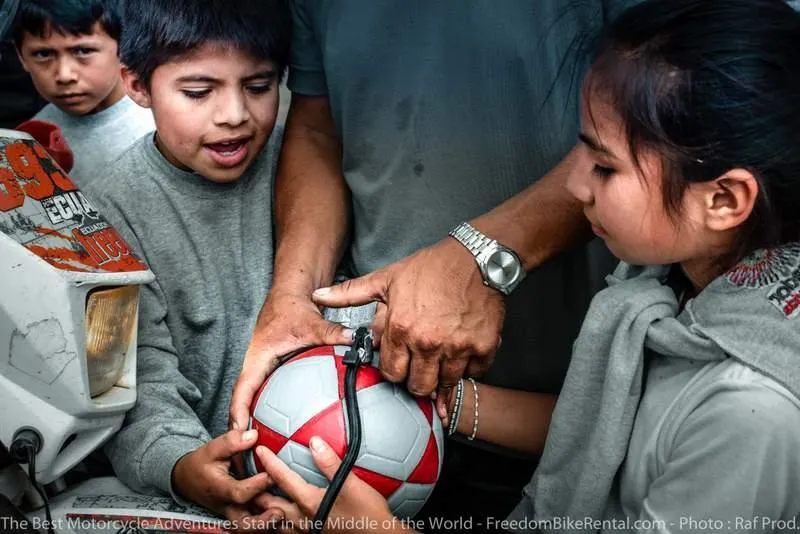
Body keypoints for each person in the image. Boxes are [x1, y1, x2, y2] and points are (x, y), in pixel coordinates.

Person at [252, 0, 800, 530]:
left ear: (725, 200)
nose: (576, 184)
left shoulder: (752, 414)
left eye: (603, 166)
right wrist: (444, 402)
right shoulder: (665, 281)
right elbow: (606, 427)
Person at [230, 1, 632, 523]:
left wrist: (481, 256)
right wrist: (291, 295)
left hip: (560, 407)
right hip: (370, 405)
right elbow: (316, 127)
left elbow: (672, 125)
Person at [79, 0, 290, 525]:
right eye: (199, 92)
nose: (235, 114)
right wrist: (180, 464)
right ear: (137, 85)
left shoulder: (303, 166)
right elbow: (125, 378)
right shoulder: (104, 213)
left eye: (260, 86)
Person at [12, 0, 154, 184]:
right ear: (21, 56)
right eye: (43, 54)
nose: (64, 75)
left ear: (123, 47)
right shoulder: (31, 139)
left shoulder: (162, 128)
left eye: (83, 50)